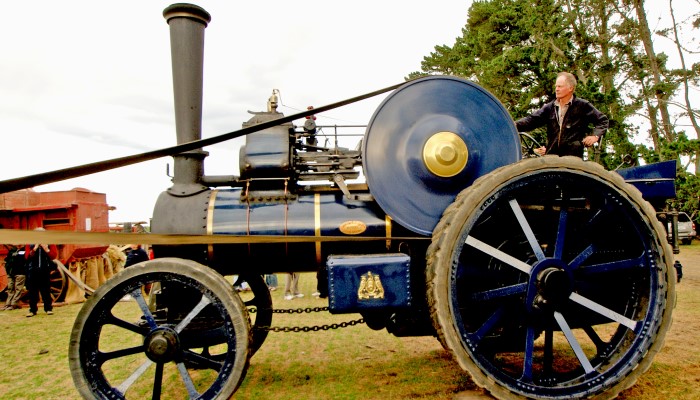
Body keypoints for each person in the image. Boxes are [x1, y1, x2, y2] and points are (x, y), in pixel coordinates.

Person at [515, 72, 608, 158]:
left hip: (573, 158)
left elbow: (603, 120)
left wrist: (595, 136)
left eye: (560, 86)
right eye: (556, 86)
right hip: (552, 157)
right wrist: (512, 125)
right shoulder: (550, 107)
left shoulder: (582, 106)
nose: (556, 89)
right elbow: (531, 120)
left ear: (570, 88)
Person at [25, 235, 58, 317]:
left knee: (46, 291)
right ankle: (32, 310)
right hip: (33, 271)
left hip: (45, 271)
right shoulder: (29, 244)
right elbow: (27, 257)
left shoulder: (50, 244)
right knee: (33, 292)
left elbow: (54, 256)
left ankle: (48, 309)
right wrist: (35, 248)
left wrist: (47, 249)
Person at [2, 245, 27, 310]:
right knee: (10, 288)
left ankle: (14, 304)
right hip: (11, 272)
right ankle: (8, 304)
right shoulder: (12, 250)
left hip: (20, 272)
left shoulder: (25, 251)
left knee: (18, 289)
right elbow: (7, 260)